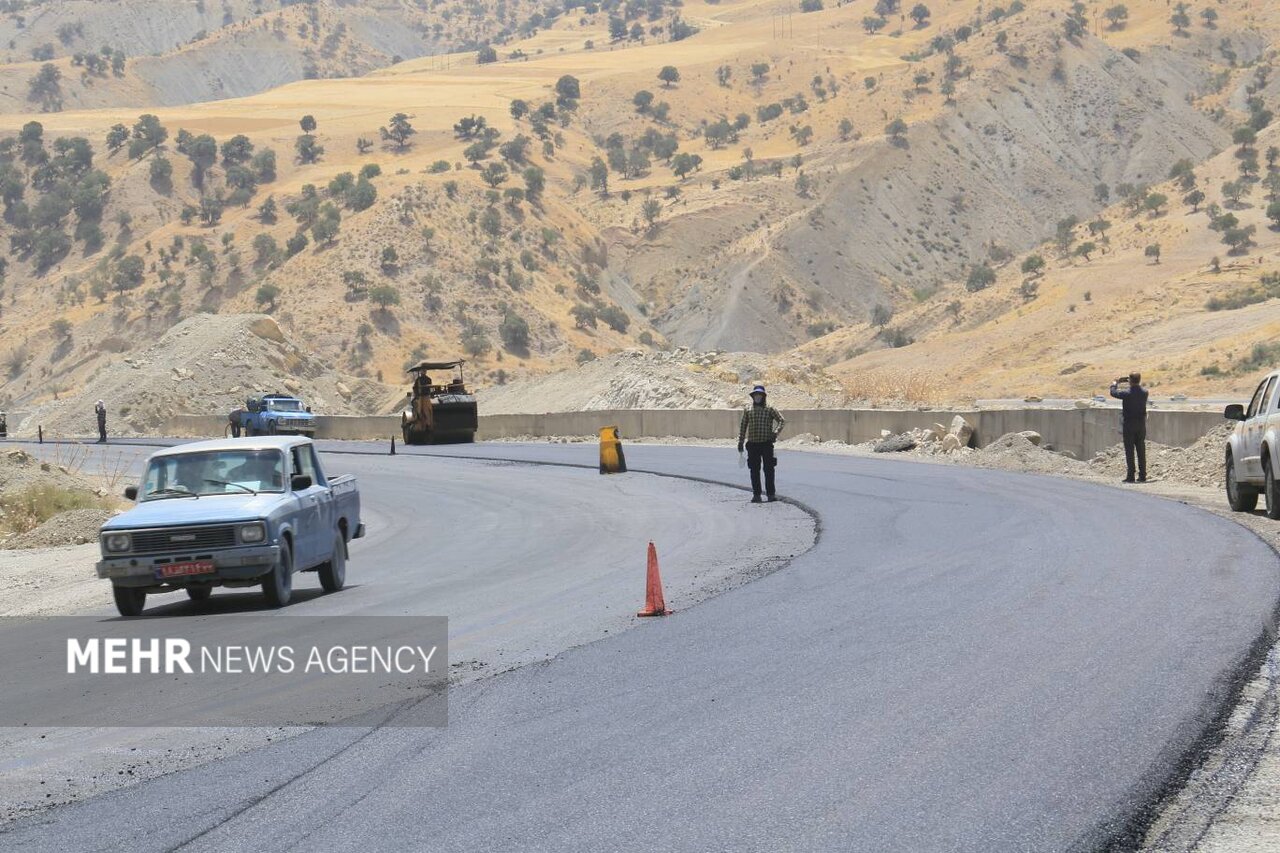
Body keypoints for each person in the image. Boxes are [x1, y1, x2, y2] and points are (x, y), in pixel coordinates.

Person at [737, 384, 786, 503]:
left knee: (769, 470)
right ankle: (756, 494)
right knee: (754, 470)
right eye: (756, 395)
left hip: (767, 444)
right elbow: (743, 426)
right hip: (753, 444)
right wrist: (741, 441)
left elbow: (781, 420)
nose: (757, 397)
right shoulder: (748, 409)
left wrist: (775, 433)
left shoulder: (770, 409)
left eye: (760, 395)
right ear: (753, 396)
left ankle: (770, 494)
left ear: (763, 396)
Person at [1110, 372, 1149, 483]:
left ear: (1130, 381)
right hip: (1141, 425)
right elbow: (1137, 390)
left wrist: (1115, 383)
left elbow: (1113, 393)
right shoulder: (1145, 392)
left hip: (1129, 425)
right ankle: (1142, 476)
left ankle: (1130, 476)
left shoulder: (1126, 393)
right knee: (1141, 450)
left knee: (1129, 451)